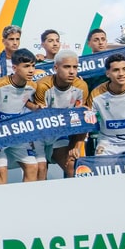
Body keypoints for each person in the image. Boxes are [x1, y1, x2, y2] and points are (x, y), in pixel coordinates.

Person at [0, 48, 42, 183]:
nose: (31, 70)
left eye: (33, 66)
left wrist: (34, 107)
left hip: (17, 133)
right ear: (15, 67)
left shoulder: (33, 86)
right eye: (26, 66)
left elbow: (25, 100)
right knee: (1, 170)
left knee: (33, 167)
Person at [31, 48, 90, 178]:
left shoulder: (81, 87)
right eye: (67, 67)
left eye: (75, 67)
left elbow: (81, 120)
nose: (72, 71)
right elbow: (38, 118)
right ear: (56, 68)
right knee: (40, 171)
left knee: (73, 167)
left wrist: (75, 145)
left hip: (60, 135)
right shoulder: (43, 86)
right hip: (40, 134)